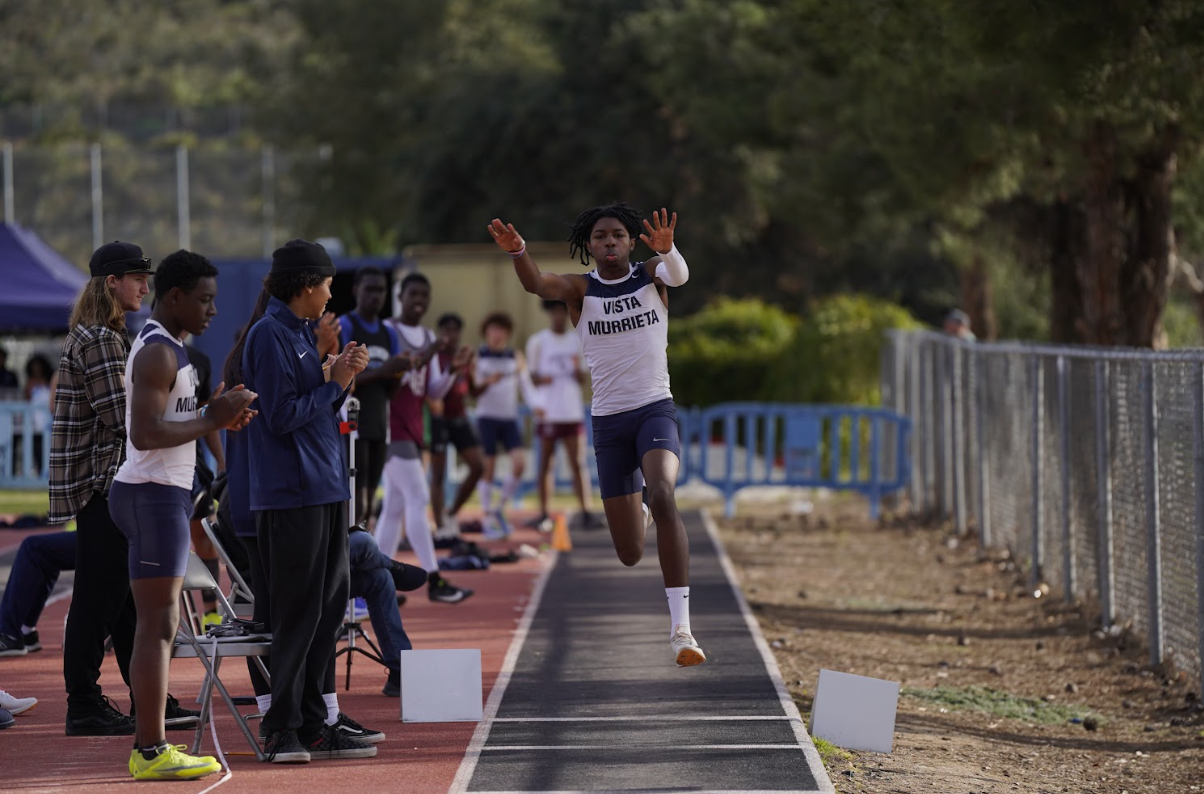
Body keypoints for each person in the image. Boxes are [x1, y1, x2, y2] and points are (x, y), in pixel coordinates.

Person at [487, 204, 705, 667]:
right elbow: (535, 283)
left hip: (654, 410)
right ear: (590, 245)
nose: (610, 242)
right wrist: (519, 251)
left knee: (665, 494)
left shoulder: (652, 275)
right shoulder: (580, 289)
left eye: (619, 235)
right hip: (609, 423)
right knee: (628, 552)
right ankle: (640, 508)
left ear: (631, 242)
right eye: (601, 236)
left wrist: (669, 250)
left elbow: (680, 276)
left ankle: (682, 630)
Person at [107, 249, 257, 781]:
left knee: (162, 623)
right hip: (151, 495)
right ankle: (149, 751)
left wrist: (219, 416)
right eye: (204, 299)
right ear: (175, 297)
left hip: (160, 493)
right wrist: (210, 417)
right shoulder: (156, 354)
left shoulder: (173, 350)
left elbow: (174, 421)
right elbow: (144, 434)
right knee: (159, 624)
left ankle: (150, 745)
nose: (212, 310)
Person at [243, 239, 378, 763]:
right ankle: (281, 729)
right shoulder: (269, 335)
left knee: (327, 612)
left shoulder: (299, 333)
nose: (330, 294)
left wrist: (336, 375)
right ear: (305, 286)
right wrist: (334, 382)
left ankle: (316, 723)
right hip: (292, 496)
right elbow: (279, 416)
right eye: (326, 284)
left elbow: (313, 408)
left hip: (323, 489)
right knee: (298, 615)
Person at [50, 241, 149, 735]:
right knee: (97, 601)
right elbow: (125, 419)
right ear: (112, 282)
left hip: (104, 484)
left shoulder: (101, 335)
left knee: (126, 603)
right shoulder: (100, 340)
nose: (144, 288)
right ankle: (83, 704)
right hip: (102, 485)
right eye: (137, 278)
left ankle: (148, 697)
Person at [377, 273, 473, 604]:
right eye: (413, 293)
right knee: (417, 498)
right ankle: (434, 578)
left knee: (394, 507)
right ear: (401, 296)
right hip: (390, 426)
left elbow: (431, 391)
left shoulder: (428, 334)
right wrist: (430, 352)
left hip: (414, 427)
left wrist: (454, 371)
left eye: (424, 294)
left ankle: (375, 582)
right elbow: (388, 376)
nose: (419, 299)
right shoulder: (388, 331)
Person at [338, 267, 406, 524]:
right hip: (351, 421)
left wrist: (399, 373)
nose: (375, 296)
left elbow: (393, 389)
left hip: (379, 421)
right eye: (370, 289)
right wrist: (383, 371)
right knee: (355, 495)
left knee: (370, 498)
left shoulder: (389, 333)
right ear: (356, 290)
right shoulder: (346, 325)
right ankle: (348, 556)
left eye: (380, 290)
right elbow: (343, 380)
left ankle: (363, 553)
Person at [526, 299, 598, 531]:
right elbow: (530, 376)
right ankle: (543, 512)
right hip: (548, 411)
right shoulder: (538, 341)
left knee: (577, 462)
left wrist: (574, 371)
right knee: (546, 463)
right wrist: (542, 380)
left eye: (562, 311)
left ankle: (585, 510)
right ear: (549, 313)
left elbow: (583, 376)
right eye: (555, 311)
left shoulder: (576, 340)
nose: (559, 316)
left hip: (571, 411)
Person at [472, 312, 532, 539]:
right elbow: (473, 388)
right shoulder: (479, 356)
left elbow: (526, 386)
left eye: (502, 330)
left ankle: (499, 508)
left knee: (519, 464)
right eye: (493, 329)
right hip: (487, 417)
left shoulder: (515, 356)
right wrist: (488, 381)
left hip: (509, 418)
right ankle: (487, 517)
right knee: (488, 466)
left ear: (507, 333)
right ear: (486, 332)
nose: (497, 334)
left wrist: (537, 406)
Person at [429, 313, 484, 536]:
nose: (451, 335)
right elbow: (429, 388)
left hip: (459, 417)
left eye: (455, 330)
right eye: (446, 330)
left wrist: (481, 376)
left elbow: (473, 391)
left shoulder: (464, 357)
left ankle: (451, 513)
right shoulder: (434, 357)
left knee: (478, 467)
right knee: (439, 475)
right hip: (438, 419)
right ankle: (441, 526)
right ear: (440, 332)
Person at [184, 343, 225, 628]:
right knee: (156, 550)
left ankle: (211, 613)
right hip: (161, 467)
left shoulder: (200, 359)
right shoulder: (148, 350)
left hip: (195, 468)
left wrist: (221, 462)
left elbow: (206, 416)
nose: (209, 310)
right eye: (201, 301)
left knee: (205, 540)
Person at [0, 530, 76, 656]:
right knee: (47, 555)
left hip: (107, 539)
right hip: (113, 537)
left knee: (31, 548)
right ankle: (26, 630)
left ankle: (9, 633)